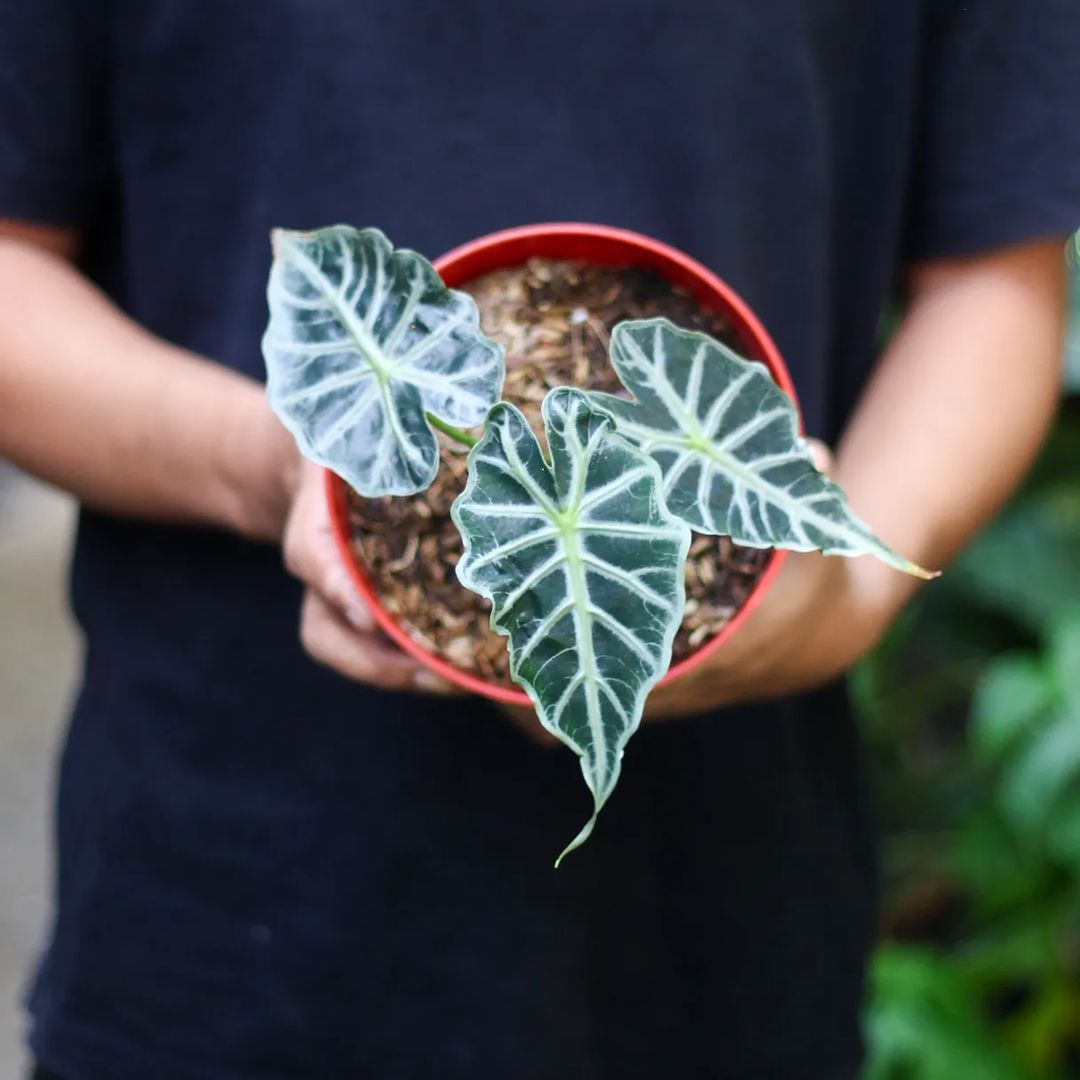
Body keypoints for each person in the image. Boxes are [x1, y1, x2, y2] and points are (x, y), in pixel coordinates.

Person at [1, 2, 1078, 1077]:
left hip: (718, 933)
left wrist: (850, 592)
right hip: (227, 912)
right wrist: (275, 460)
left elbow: (992, 271)